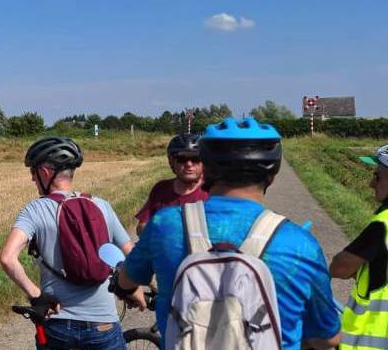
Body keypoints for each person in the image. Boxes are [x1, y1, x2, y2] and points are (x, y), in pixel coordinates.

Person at [113, 118, 341, 349]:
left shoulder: (166, 224)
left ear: (207, 169)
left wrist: (126, 287)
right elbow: (328, 337)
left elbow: (126, 279)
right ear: (272, 174)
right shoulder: (300, 244)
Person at [0, 136, 137, 350]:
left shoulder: (34, 210)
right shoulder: (102, 206)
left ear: (45, 172)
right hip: (103, 324)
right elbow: (132, 256)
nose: (32, 180)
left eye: (33, 173)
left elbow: (7, 258)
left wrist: (37, 296)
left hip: (58, 326)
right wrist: (128, 288)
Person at [330, 144, 388, 349]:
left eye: (378, 176)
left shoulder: (383, 225)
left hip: (369, 340)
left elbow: (340, 267)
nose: (372, 183)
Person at [134, 133, 208, 236]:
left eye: (195, 158)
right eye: (181, 159)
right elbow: (141, 227)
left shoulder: (213, 190)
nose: (189, 164)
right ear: (171, 162)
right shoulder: (160, 189)